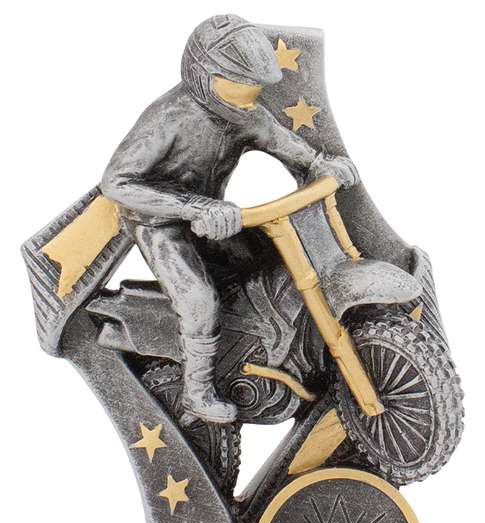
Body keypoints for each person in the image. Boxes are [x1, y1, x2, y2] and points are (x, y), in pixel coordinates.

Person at [101, 14, 359, 424]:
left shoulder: (245, 112)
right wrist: (193, 207)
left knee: (274, 259)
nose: (249, 96)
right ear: (204, 74)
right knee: (199, 301)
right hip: (158, 224)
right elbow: (116, 182)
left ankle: (259, 343)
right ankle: (198, 391)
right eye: (238, 84)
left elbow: (281, 140)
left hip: (213, 217)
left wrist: (320, 163)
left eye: (254, 87)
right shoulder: (169, 117)